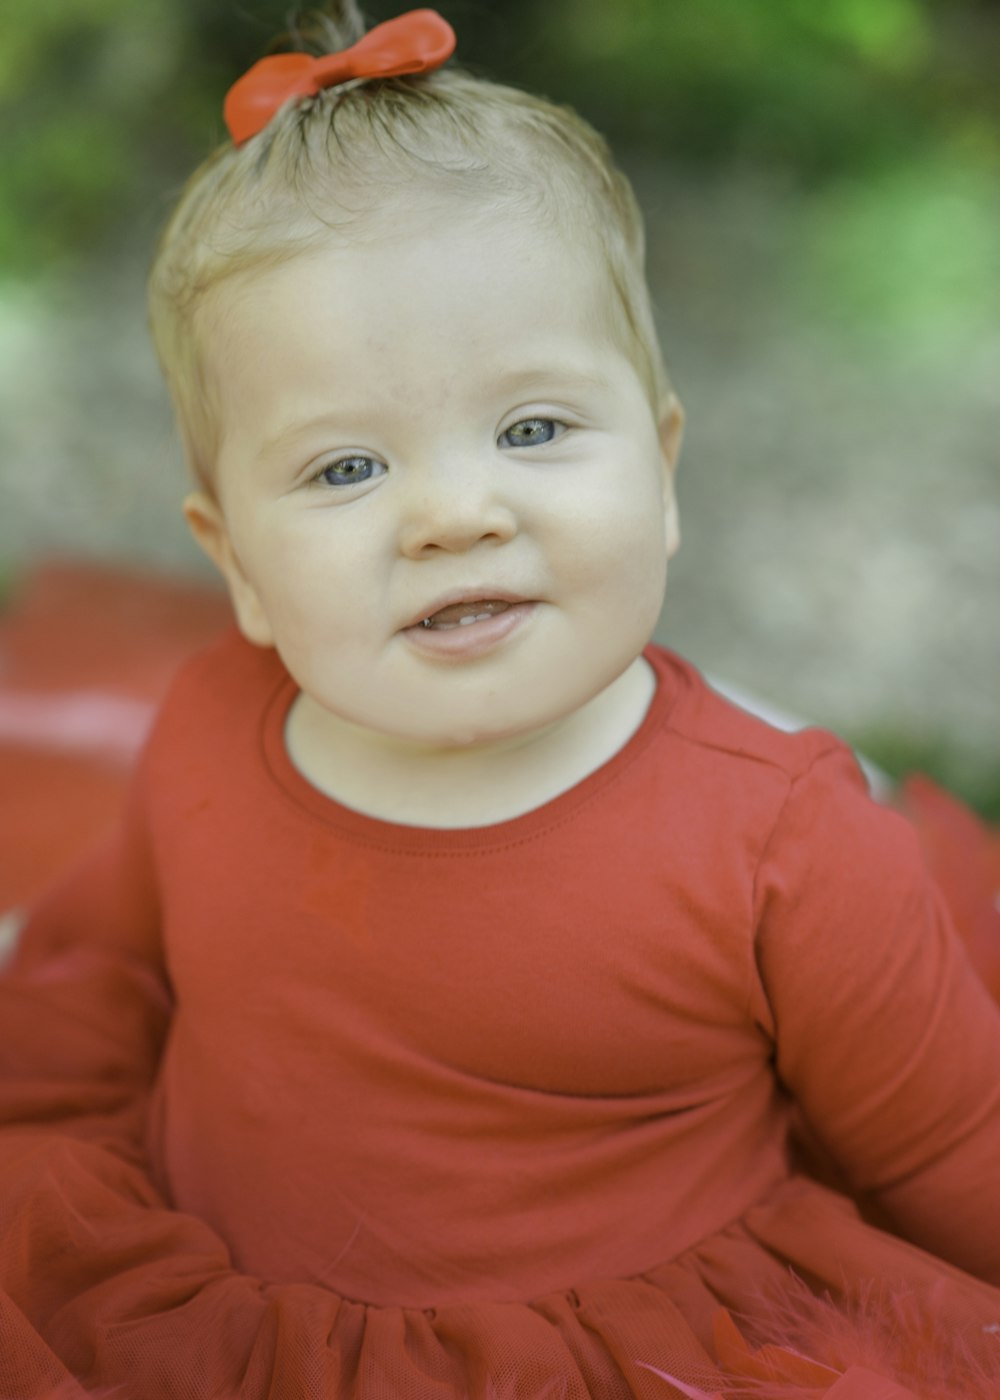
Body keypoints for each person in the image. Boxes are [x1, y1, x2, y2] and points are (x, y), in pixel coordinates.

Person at [2, 6, 1000, 1397]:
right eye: (346, 469)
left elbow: (950, 1149)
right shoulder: (209, 731)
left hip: (641, 1356)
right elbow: (99, 976)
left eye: (532, 430)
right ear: (233, 563)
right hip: (221, 1335)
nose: (455, 514)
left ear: (662, 472)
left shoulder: (786, 843)